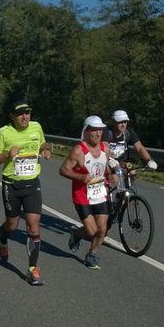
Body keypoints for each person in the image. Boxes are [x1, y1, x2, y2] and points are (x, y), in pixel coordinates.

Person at [0, 99, 51, 286]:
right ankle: (3, 238)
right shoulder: (4, 132)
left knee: (33, 226)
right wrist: (7, 154)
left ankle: (32, 269)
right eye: (20, 114)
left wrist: (46, 150)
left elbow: (42, 144)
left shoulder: (36, 127)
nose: (25, 117)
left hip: (32, 184)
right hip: (11, 185)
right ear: (12, 116)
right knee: (12, 225)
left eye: (27, 113)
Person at [59, 115, 111, 270]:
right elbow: (63, 170)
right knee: (91, 231)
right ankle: (77, 234)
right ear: (86, 131)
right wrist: (79, 176)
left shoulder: (105, 149)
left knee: (103, 230)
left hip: (100, 193)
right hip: (82, 196)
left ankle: (92, 254)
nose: (97, 134)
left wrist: (112, 175)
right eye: (94, 130)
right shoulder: (78, 151)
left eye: (100, 130)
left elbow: (105, 168)